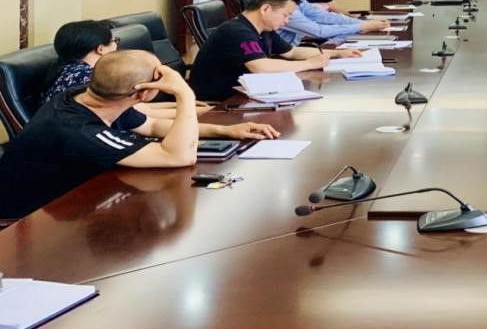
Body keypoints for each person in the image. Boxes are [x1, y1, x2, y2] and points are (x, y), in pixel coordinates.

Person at [0, 50, 280, 219]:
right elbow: (179, 156)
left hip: (83, 198)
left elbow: (153, 126)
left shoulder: (90, 96)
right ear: (143, 93)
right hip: (35, 216)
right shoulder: (78, 129)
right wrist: (184, 93)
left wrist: (226, 130)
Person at [188, 0, 360, 102]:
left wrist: (336, 54)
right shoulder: (237, 31)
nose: (287, 21)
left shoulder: (264, 29)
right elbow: (260, 67)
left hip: (248, 93)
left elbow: (291, 52)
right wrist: (308, 64)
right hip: (220, 102)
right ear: (265, 9)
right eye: (286, 15)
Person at [42, 19, 119, 104]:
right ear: (100, 49)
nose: (117, 46)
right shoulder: (88, 78)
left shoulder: (65, 68)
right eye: (115, 41)